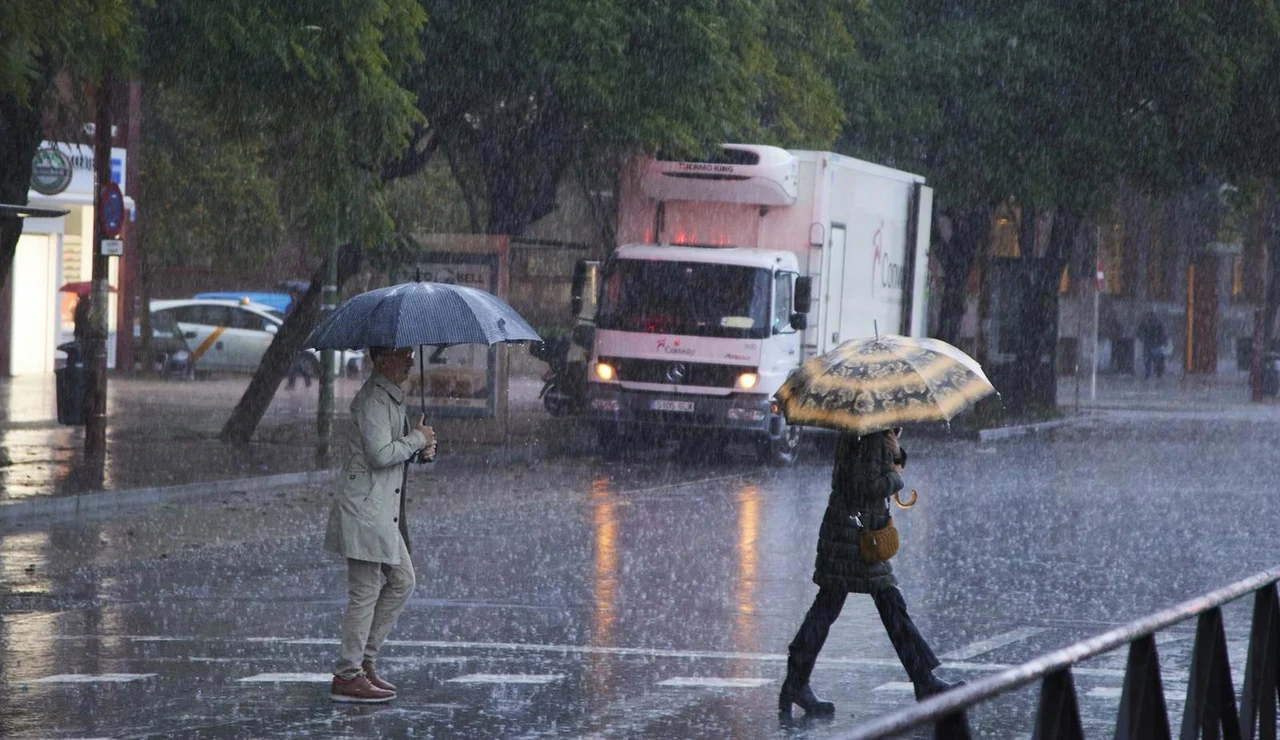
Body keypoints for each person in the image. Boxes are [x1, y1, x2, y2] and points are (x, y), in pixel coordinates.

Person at [779, 428, 957, 717]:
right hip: (856, 536)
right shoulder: (870, 434)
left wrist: (895, 452)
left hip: (849, 530)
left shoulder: (866, 431)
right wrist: (896, 477)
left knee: (833, 605)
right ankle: (924, 681)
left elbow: (862, 476)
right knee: (886, 604)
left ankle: (796, 682)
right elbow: (867, 486)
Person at [324, 346, 437, 703]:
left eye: (410, 355)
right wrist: (416, 440)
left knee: (403, 580)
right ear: (383, 359)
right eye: (404, 355)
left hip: (380, 512)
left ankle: (364, 661)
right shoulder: (373, 400)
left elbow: (394, 451)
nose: (411, 361)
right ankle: (347, 674)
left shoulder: (391, 398)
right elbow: (380, 454)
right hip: (365, 510)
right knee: (365, 590)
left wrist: (421, 448)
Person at [284, 287, 314, 389]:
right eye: (292, 294)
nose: (293, 296)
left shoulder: (301, 308)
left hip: (298, 338)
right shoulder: (289, 307)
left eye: (295, 294)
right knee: (295, 360)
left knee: (294, 361)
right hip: (292, 337)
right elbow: (286, 321)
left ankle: (292, 383)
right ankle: (306, 377)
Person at [1136, 311, 1167, 379]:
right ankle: (1155, 372)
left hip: (1152, 343)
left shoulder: (1148, 324)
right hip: (1153, 343)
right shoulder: (1157, 324)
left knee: (1150, 359)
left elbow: (1139, 332)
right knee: (1154, 358)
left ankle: (1152, 373)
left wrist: (1142, 337)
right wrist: (1163, 340)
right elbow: (1163, 333)